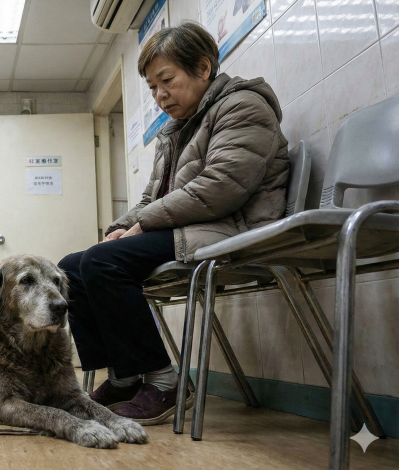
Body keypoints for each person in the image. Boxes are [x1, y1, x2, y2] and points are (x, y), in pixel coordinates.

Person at [58, 21, 289, 425]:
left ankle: (164, 382)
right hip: (191, 225)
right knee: (72, 267)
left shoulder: (244, 106)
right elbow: (152, 198)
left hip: (233, 226)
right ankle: (126, 376)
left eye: (167, 81)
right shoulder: (174, 131)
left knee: (103, 263)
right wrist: (121, 226)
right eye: (152, 87)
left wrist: (143, 225)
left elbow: (222, 187)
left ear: (203, 68)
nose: (160, 96)